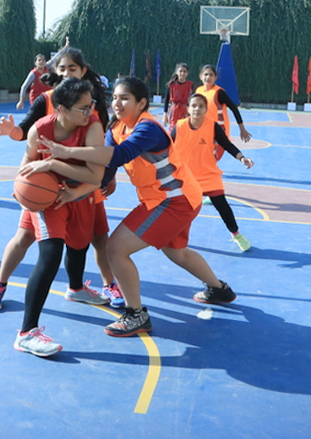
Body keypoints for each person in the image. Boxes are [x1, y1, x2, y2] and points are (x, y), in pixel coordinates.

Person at [37, 77, 237, 337]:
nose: (117, 103)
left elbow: (118, 156)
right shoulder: (116, 129)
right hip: (176, 198)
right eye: (115, 97)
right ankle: (220, 289)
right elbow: (106, 171)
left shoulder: (148, 129)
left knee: (116, 249)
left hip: (173, 200)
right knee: (177, 253)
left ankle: (136, 314)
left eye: (125, 98)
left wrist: (65, 153)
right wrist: (74, 188)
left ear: (141, 102)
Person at [0, 46, 122, 311]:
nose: (67, 72)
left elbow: (107, 142)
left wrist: (109, 174)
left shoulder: (91, 105)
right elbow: (26, 132)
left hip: (83, 180)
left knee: (94, 237)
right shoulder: (47, 101)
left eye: (73, 68)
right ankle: (0, 283)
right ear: (54, 71)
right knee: (25, 237)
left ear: (83, 71)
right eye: (62, 68)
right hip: (45, 184)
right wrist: (14, 132)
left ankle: (88, 286)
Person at [9, 77, 108, 356]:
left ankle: (76, 288)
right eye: (83, 108)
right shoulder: (40, 130)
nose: (90, 112)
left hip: (80, 193)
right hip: (47, 199)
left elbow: (96, 176)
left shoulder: (93, 128)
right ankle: (27, 332)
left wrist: (55, 165)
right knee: (51, 253)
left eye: (91, 106)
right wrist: (20, 184)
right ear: (62, 109)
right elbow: (28, 162)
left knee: (79, 244)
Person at [172, 93, 255, 252]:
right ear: (188, 108)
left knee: (222, 206)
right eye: (194, 106)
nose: (197, 109)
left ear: (206, 109)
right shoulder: (179, 126)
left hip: (208, 175)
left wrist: (242, 158)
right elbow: (166, 147)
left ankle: (236, 234)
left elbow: (227, 144)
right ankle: (176, 235)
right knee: (182, 210)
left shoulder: (212, 126)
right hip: (186, 178)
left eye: (201, 106)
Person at [195, 64, 252, 159]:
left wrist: (242, 129)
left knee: (212, 158)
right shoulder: (198, 91)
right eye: (205, 74)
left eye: (211, 75)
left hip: (218, 131)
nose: (208, 77)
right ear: (201, 76)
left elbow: (234, 109)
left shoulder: (219, 93)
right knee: (202, 158)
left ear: (215, 77)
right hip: (202, 129)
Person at [163, 63, 194, 127]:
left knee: (185, 128)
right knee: (173, 128)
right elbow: (166, 100)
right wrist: (165, 114)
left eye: (184, 71)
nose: (182, 73)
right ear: (177, 72)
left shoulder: (190, 85)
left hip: (186, 110)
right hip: (174, 111)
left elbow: (193, 99)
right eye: (180, 71)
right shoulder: (171, 85)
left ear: (187, 73)